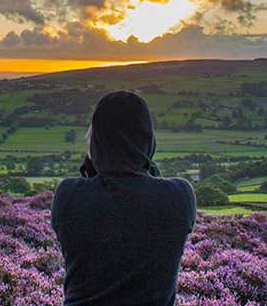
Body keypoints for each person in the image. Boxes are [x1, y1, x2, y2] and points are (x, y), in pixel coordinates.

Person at [51, 91, 197, 306]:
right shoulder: (180, 196)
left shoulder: (68, 194)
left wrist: (95, 157)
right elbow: (147, 190)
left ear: (97, 141)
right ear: (147, 138)